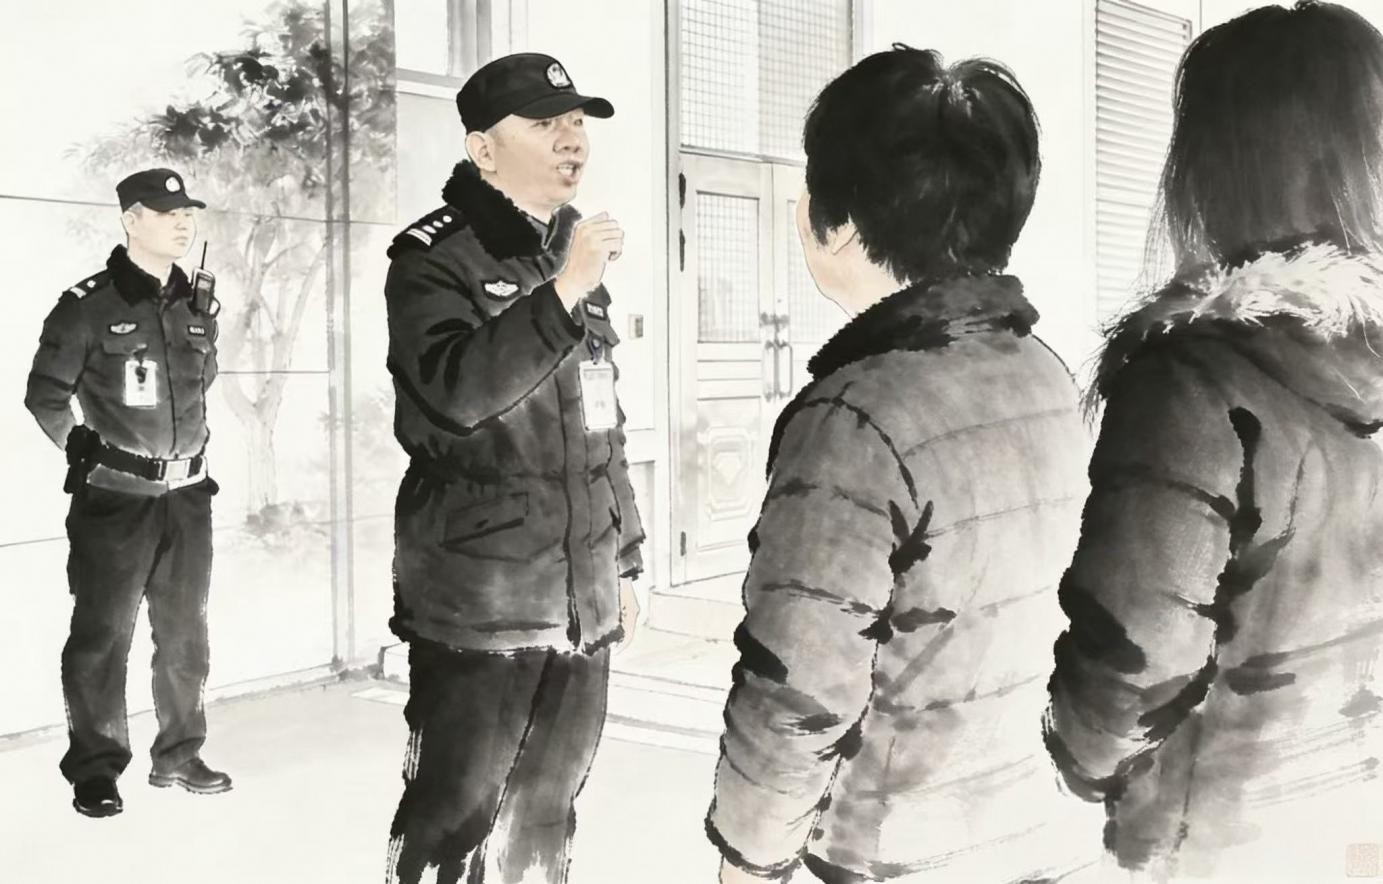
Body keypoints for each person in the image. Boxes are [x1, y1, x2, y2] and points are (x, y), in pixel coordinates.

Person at [706, 45, 1098, 883]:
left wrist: (747, 857)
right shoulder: (1045, 374)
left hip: (893, 849)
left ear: (839, 222)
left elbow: (797, 687)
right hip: (1040, 834)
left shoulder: (852, 417)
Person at [1045, 2, 1383, 880]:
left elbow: (1125, 675)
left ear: (1211, 166)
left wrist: (1074, 750)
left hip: (1229, 841)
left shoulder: (1191, 382)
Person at [382, 52, 645, 884]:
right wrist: (561, 295)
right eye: (544, 124)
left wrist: (624, 560)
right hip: (481, 598)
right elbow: (454, 395)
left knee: (547, 809)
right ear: (483, 149)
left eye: (575, 123)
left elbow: (601, 422)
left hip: (579, 593)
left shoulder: (569, 250)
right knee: (454, 811)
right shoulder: (432, 258)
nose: (572, 141)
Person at [24, 168, 231, 819]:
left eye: (187, 213)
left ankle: (179, 754)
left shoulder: (198, 305)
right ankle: (95, 769)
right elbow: (45, 395)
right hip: (115, 500)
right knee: (102, 638)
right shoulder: (87, 306)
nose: (182, 223)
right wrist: (81, 447)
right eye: (166, 213)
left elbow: (201, 383)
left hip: (187, 497)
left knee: (186, 636)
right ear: (130, 220)